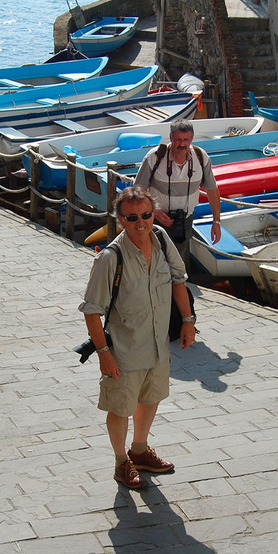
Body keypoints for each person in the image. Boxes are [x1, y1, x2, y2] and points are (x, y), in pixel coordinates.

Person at [79, 186, 196, 489]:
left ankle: (140, 450)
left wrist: (187, 321)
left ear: (153, 213)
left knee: (151, 397)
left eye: (146, 215)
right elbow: (91, 311)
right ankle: (121, 463)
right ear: (120, 220)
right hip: (125, 349)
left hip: (157, 343)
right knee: (120, 407)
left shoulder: (160, 237)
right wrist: (104, 354)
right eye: (132, 218)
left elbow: (178, 279)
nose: (141, 222)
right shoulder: (110, 258)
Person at [132, 118, 223, 267]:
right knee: (155, 260)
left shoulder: (201, 157)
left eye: (186, 140)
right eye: (178, 140)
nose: (182, 144)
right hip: (157, 220)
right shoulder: (155, 157)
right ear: (171, 138)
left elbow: (212, 190)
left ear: (192, 139)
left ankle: (180, 288)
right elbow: (138, 190)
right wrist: (154, 211)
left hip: (184, 219)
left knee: (180, 263)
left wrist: (216, 222)